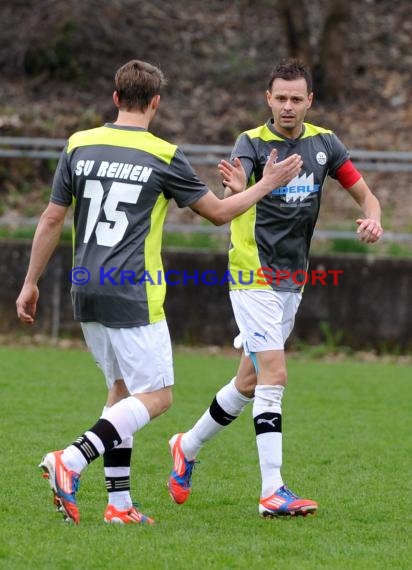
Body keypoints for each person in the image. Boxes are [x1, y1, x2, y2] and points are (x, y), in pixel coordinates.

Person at [15, 59, 303, 525]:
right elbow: (219, 213)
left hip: (85, 289)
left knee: (122, 392)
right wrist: (267, 184)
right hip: (133, 293)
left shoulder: (78, 144)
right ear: (156, 102)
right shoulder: (163, 154)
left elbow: (51, 218)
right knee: (159, 397)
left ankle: (120, 505)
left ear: (114, 98)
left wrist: (30, 283)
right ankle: (71, 459)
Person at [167, 58, 384, 518]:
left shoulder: (325, 144)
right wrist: (246, 183)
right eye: (280, 97)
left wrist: (373, 217)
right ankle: (273, 491)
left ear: (310, 100)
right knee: (275, 376)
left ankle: (186, 446)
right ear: (268, 99)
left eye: (295, 98)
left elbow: (366, 194)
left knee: (248, 382)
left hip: (293, 277)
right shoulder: (251, 142)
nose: (287, 106)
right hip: (252, 272)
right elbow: (235, 189)